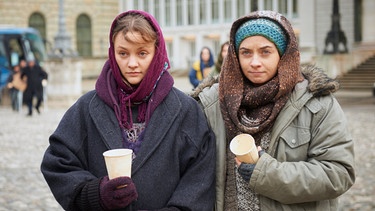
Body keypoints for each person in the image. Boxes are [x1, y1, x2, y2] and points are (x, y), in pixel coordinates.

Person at [41, 10, 216, 211]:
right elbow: (58, 162)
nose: (132, 64)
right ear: (112, 53)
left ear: (157, 52)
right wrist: (96, 194)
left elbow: (201, 176)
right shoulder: (87, 107)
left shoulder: (186, 110)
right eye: (123, 53)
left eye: (142, 53)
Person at [190, 10, 355, 210]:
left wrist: (266, 173)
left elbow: (338, 173)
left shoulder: (316, 103)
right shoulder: (211, 103)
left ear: (283, 54)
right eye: (246, 52)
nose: (255, 62)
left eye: (265, 51)